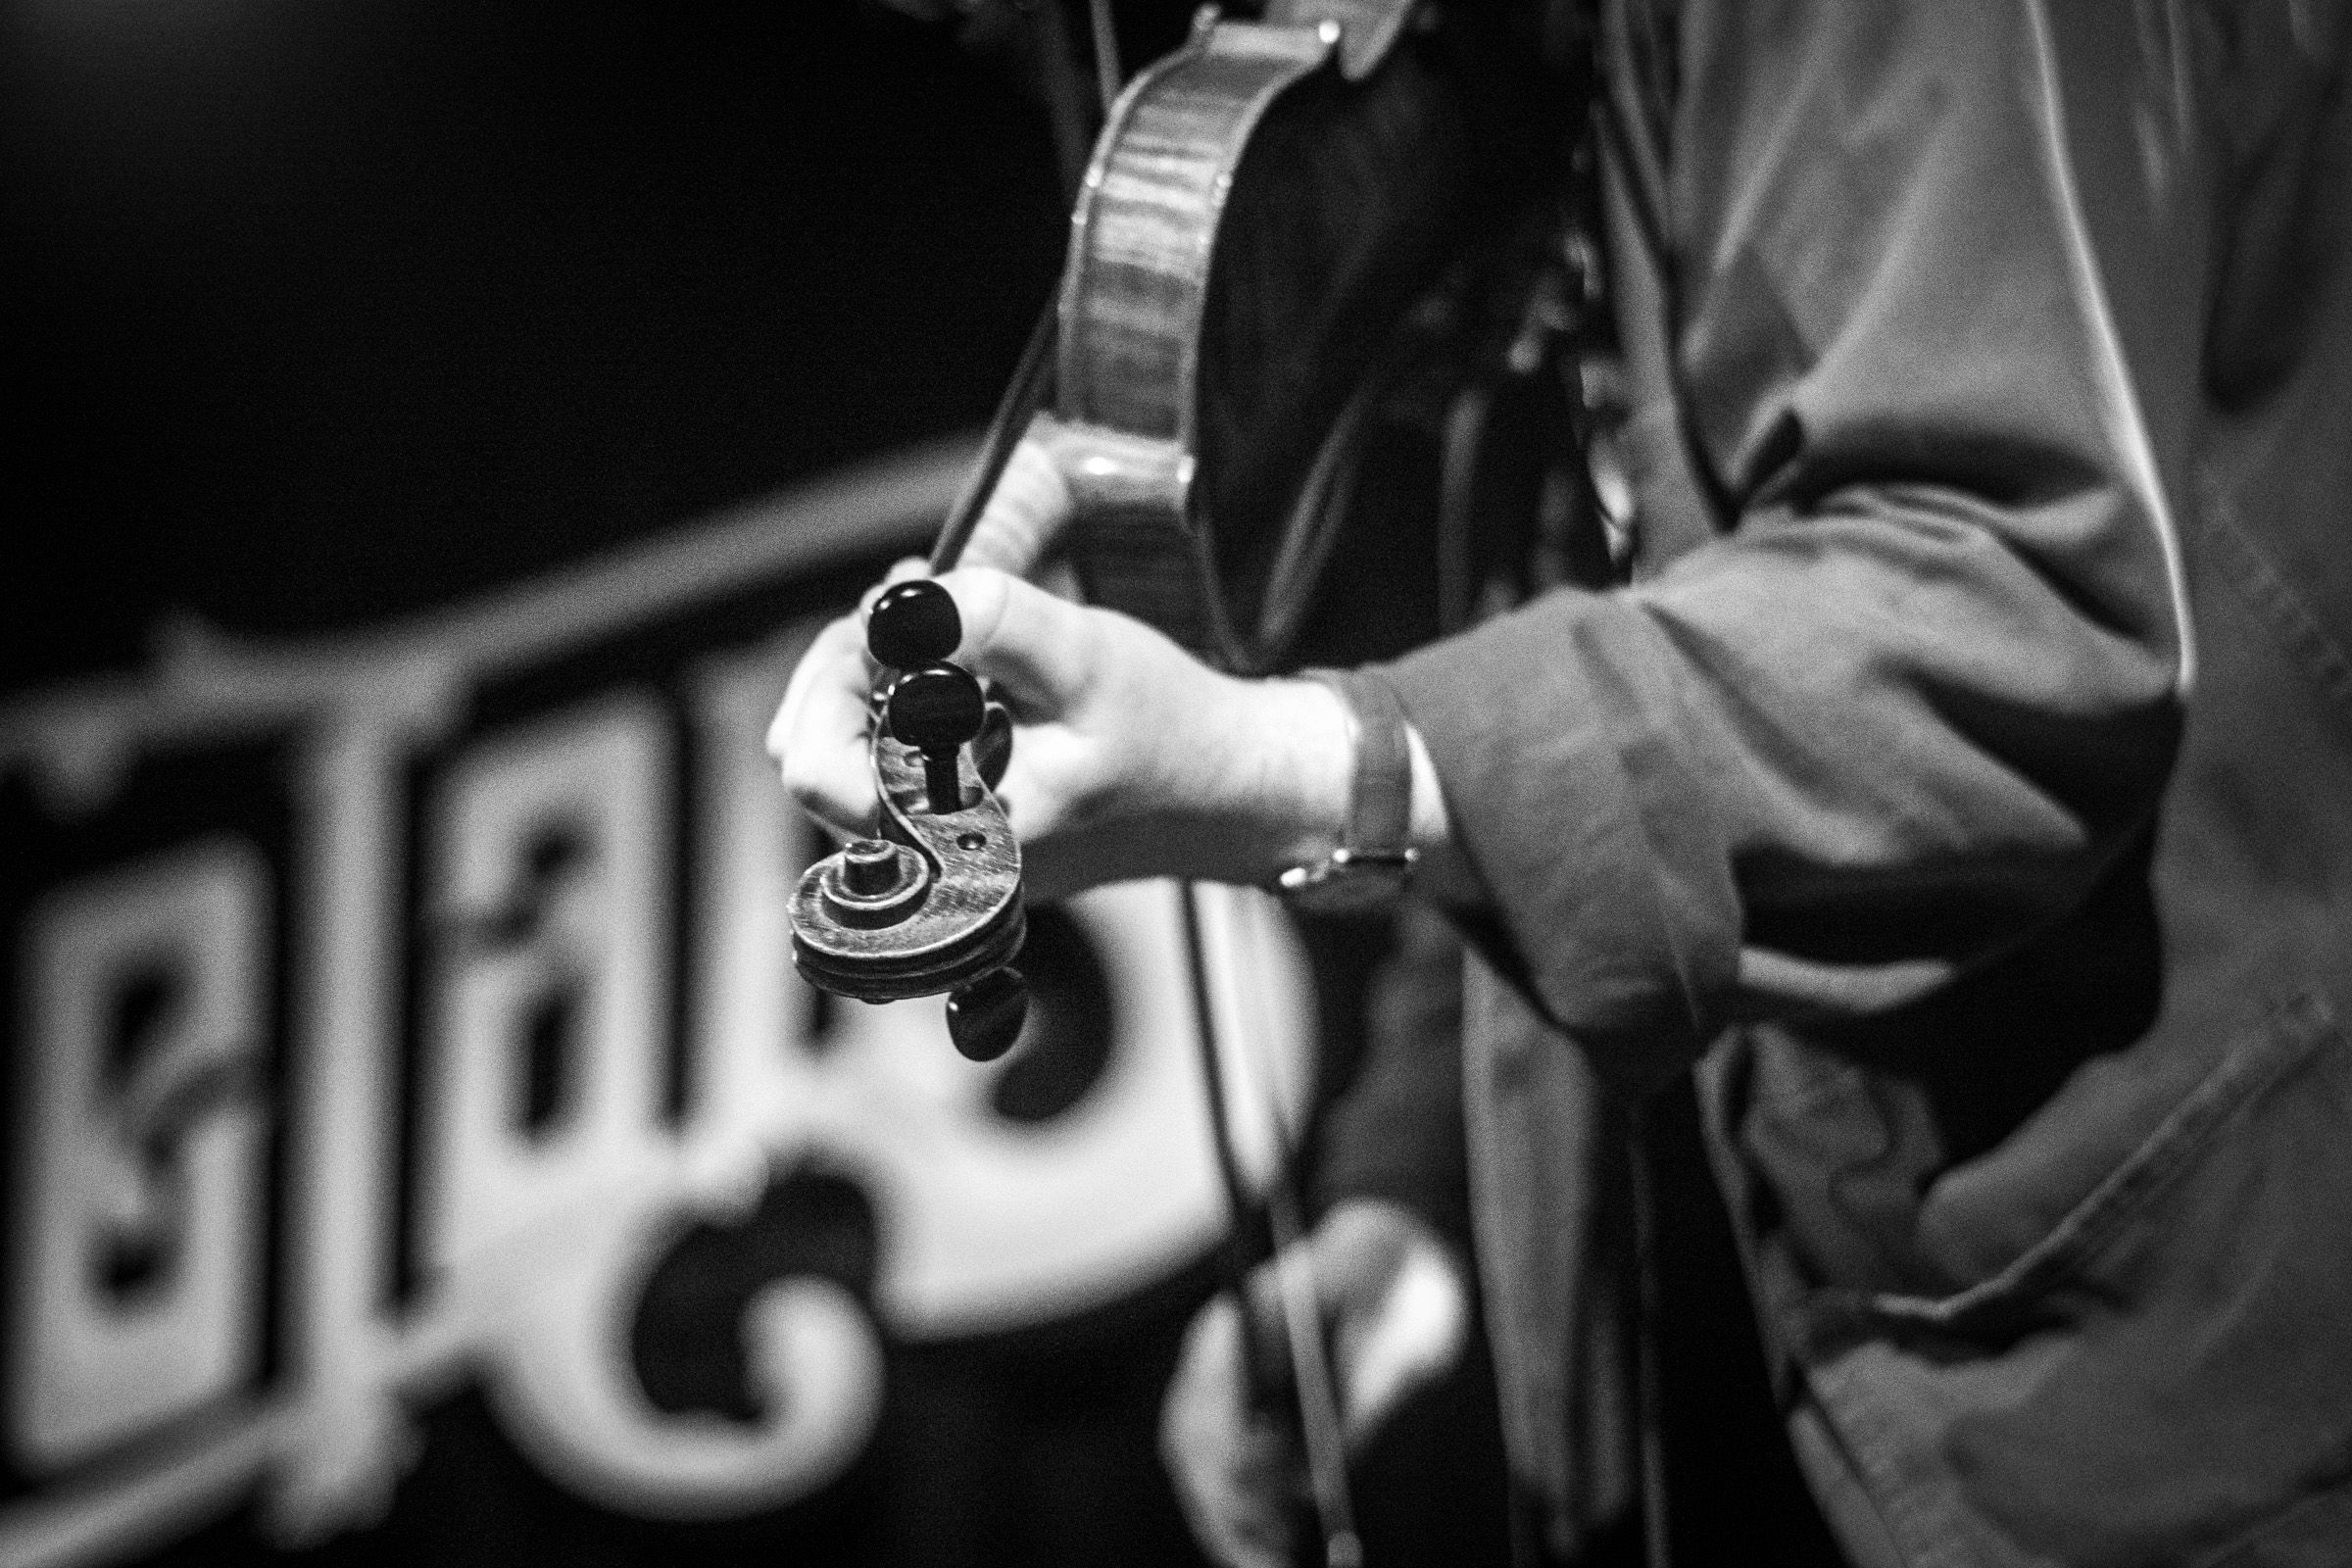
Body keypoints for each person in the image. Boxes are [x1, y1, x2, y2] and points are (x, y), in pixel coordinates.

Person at [775, 0, 2352, 1563]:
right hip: (1860, 1367)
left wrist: (1295, 766)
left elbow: (1997, 623)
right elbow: (1577, 598)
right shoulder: (1535, 73)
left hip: (2209, 1380)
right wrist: (1420, 1194)